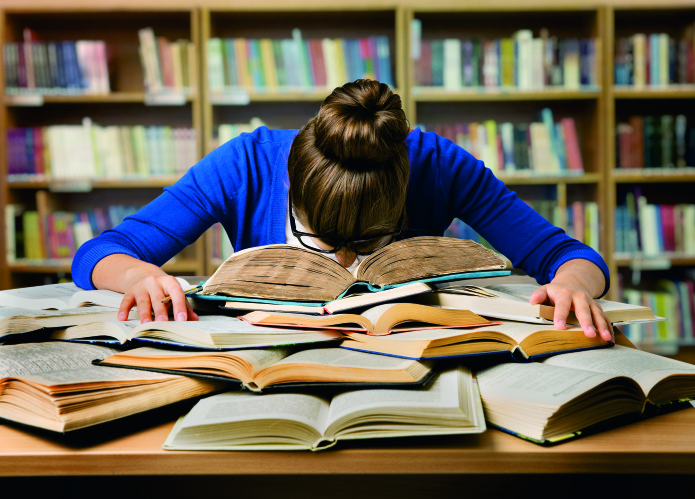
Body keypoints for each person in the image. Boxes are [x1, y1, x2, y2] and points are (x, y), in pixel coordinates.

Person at [72, 79, 613, 342]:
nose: (347, 266)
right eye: (319, 243)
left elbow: (567, 254)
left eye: (371, 245)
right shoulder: (246, 164)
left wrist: (573, 286)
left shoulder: (437, 164)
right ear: (293, 191)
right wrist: (139, 274)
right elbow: (99, 253)